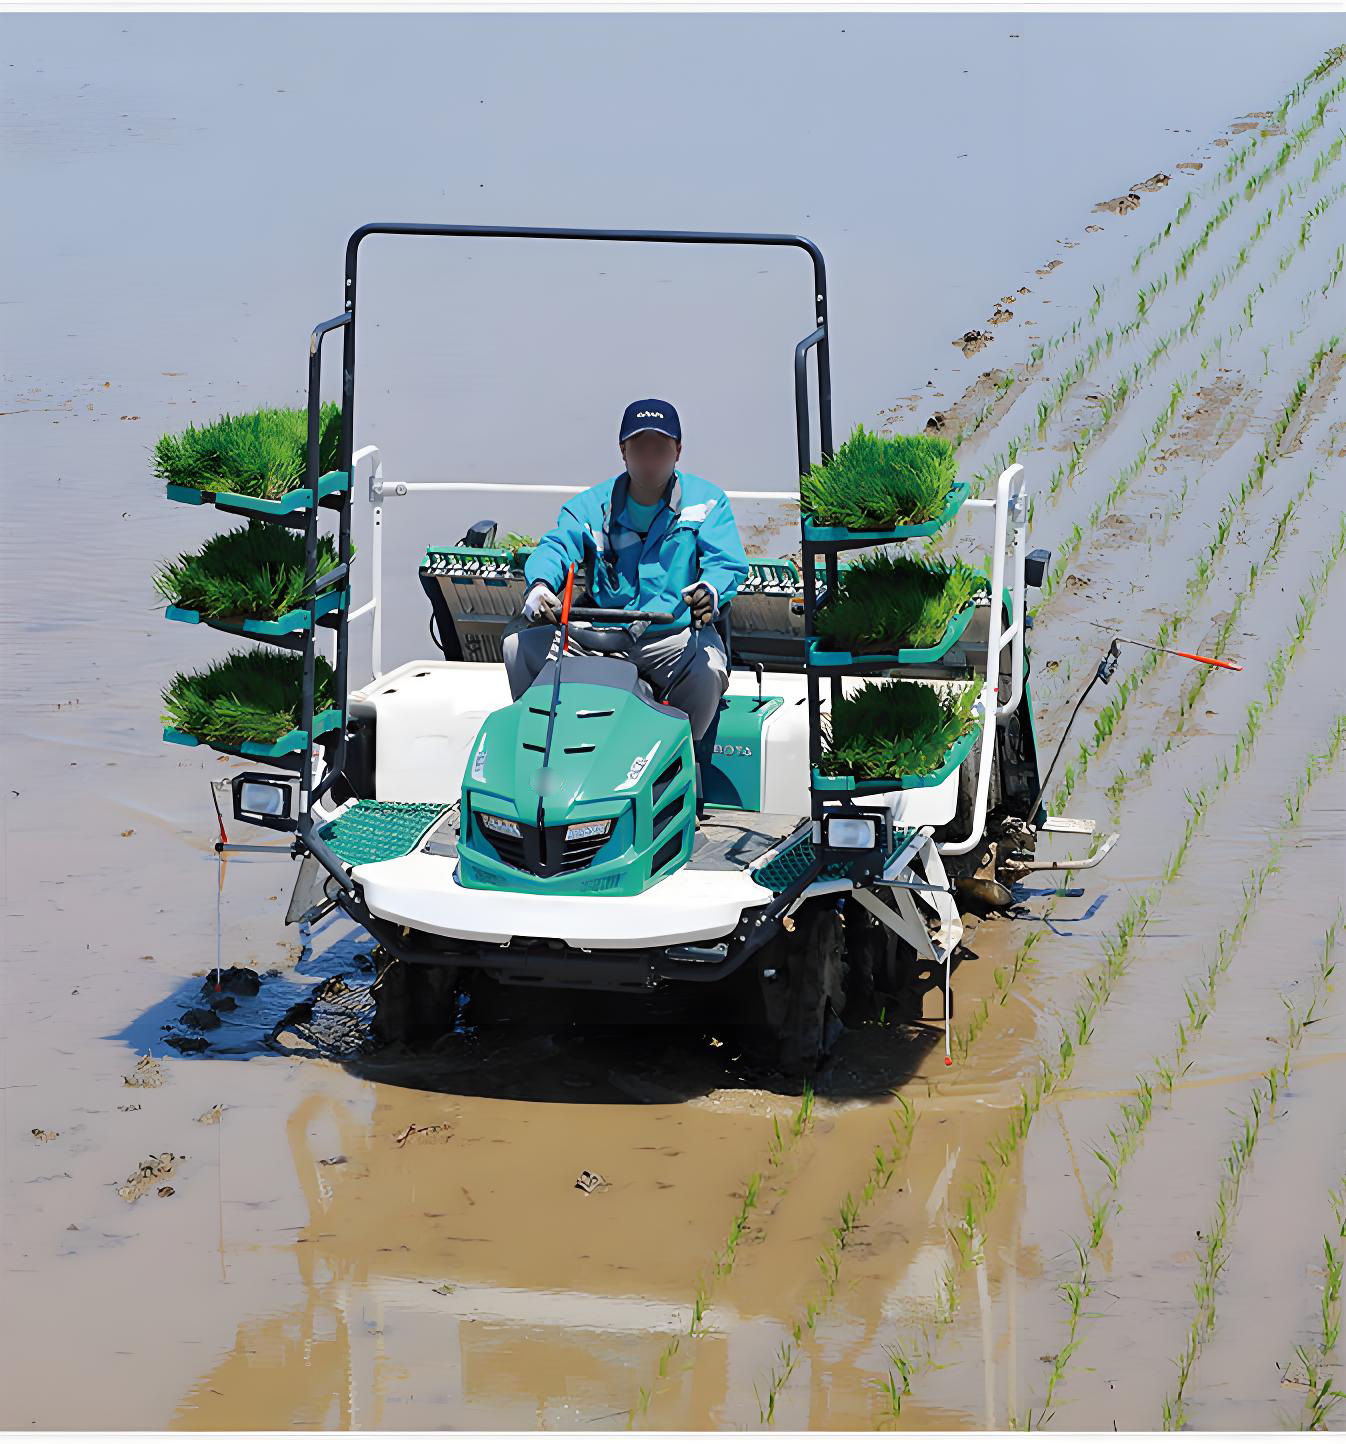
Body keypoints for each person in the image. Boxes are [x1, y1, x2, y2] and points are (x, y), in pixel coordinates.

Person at [502, 398, 749, 749]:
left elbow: (725, 564)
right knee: (518, 646)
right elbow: (556, 548)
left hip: (672, 637)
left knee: (708, 668)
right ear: (623, 451)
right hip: (598, 640)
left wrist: (709, 591)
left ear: (677, 451)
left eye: (660, 449)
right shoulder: (589, 506)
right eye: (640, 449)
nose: (650, 461)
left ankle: (682, 759)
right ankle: (543, 747)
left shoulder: (708, 502)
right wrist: (540, 585)